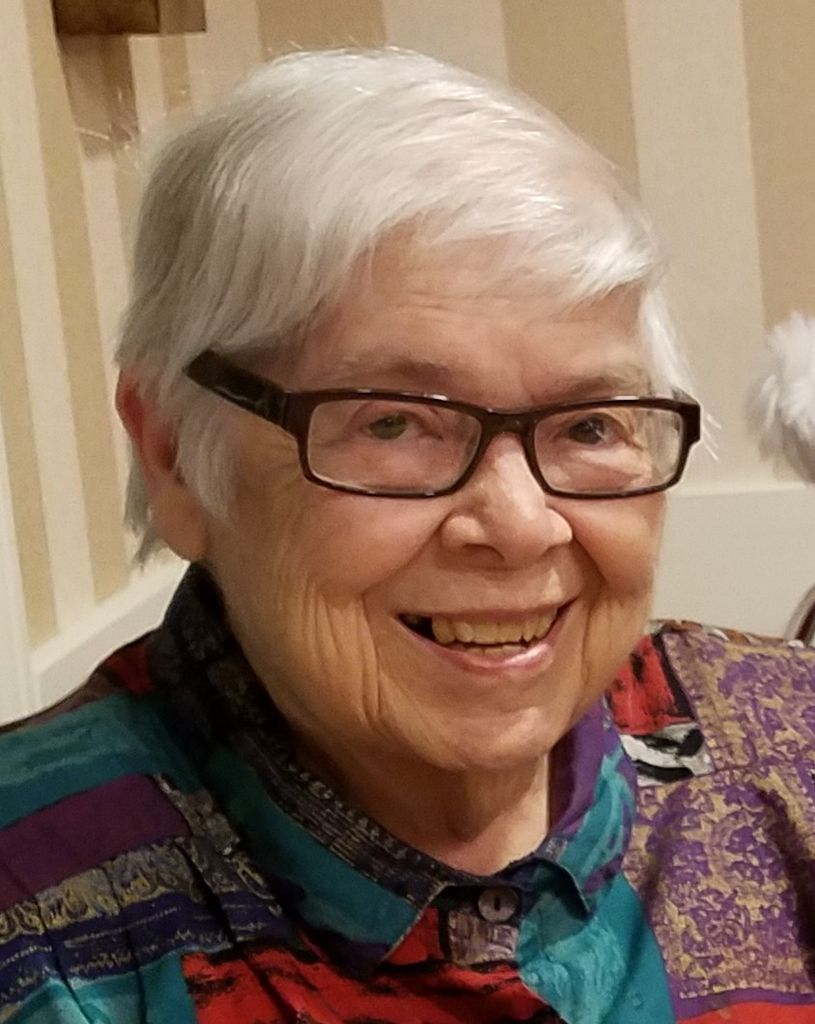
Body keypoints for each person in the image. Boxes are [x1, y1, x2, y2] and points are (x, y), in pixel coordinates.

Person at [1, 47, 813, 1024]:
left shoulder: (787, 743)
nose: (518, 526)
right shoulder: (34, 917)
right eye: (392, 423)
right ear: (173, 454)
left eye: (589, 425)